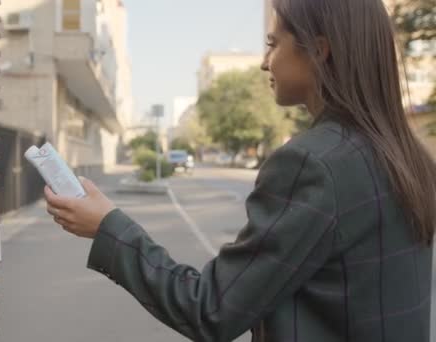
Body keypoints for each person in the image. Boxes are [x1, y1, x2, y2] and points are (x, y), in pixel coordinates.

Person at [44, 0, 436, 340]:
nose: (265, 62)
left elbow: (211, 310)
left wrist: (108, 225)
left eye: (273, 44)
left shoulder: (313, 164)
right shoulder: (407, 156)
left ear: (319, 51)